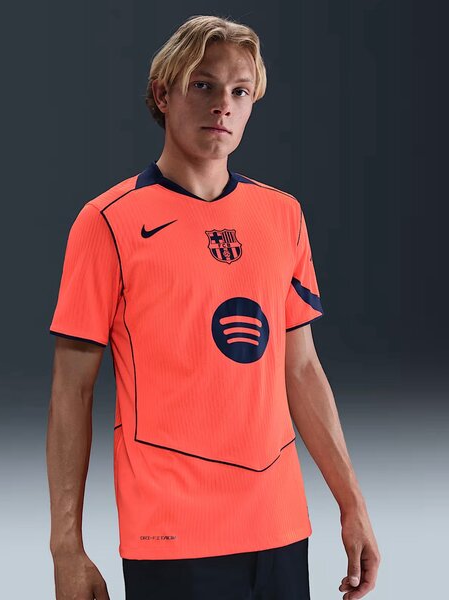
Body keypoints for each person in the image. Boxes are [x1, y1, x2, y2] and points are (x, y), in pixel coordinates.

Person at [46, 14, 381, 600]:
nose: (223, 104)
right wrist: (66, 549)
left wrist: (352, 503)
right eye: (203, 85)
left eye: (240, 91)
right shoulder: (108, 222)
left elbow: (301, 368)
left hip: (278, 524)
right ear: (162, 94)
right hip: (172, 532)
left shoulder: (282, 215)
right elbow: (71, 391)